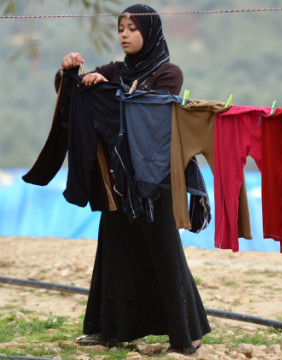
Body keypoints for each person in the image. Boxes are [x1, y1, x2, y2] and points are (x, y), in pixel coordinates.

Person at [58, 4, 209, 354]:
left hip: (155, 179)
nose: (124, 34)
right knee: (114, 247)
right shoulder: (115, 70)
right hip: (118, 179)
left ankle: (186, 336)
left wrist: (110, 91)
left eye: (132, 28)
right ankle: (109, 329)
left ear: (150, 33)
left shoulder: (169, 73)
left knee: (164, 251)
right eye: (121, 28)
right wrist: (74, 75)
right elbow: (76, 97)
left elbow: (152, 111)